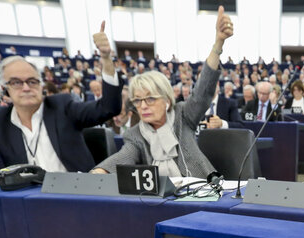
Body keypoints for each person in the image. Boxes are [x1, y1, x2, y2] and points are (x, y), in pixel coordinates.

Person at [0, 22, 121, 173]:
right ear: (4, 89)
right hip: (26, 203)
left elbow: (108, 108)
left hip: (74, 195)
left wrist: (105, 58)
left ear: (41, 86)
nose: (26, 88)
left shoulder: (63, 107)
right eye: (16, 82)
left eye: (32, 81)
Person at [91, 7, 233, 177]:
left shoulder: (183, 115)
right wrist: (99, 172)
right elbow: (123, 157)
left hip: (201, 191)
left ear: (166, 101)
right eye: (138, 101)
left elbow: (203, 91)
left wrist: (218, 43)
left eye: (150, 99)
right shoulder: (134, 134)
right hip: (161, 199)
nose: (143, 106)